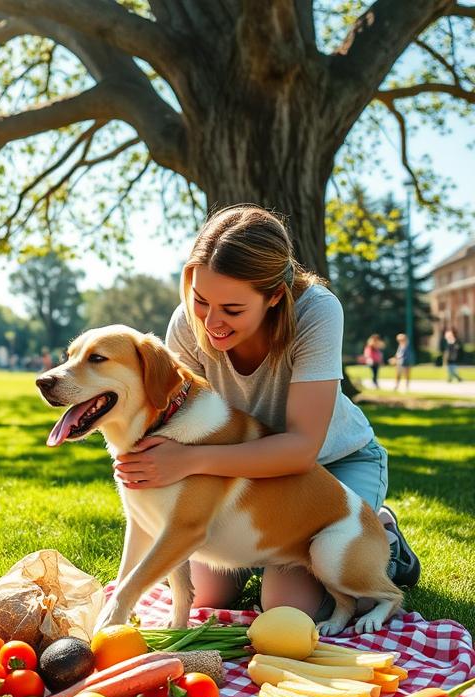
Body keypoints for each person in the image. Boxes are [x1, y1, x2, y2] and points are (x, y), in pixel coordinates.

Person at [113, 204, 421, 623]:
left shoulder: (317, 312)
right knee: (208, 596)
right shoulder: (188, 323)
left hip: (330, 467)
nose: (212, 322)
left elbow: (299, 451)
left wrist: (188, 460)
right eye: (202, 301)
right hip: (240, 474)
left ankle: (377, 536)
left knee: (286, 608)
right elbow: (173, 422)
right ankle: (265, 552)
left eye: (233, 310)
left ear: (274, 295)